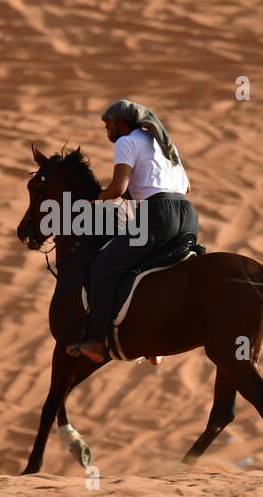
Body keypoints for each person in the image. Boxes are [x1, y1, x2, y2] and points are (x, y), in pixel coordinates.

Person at [66, 100, 198, 363]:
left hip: (159, 214)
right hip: (188, 216)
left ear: (121, 123)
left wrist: (95, 202)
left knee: (103, 268)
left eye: (108, 125)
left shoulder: (126, 142)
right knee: (153, 268)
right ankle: (154, 342)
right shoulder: (164, 145)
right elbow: (184, 186)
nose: (108, 132)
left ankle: (95, 342)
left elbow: (117, 188)